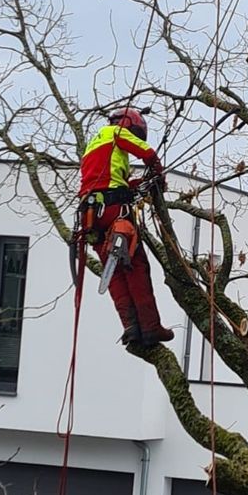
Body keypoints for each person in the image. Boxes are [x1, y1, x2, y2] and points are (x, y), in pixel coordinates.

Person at [78, 107, 174, 346]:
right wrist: (157, 174)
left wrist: (139, 183)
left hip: (91, 216)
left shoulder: (94, 144)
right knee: (135, 265)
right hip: (112, 210)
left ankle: (131, 328)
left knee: (115, 271)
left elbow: (109, 182)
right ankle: (150, 327)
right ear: (130, 125)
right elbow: (148, 153)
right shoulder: (117, 132)